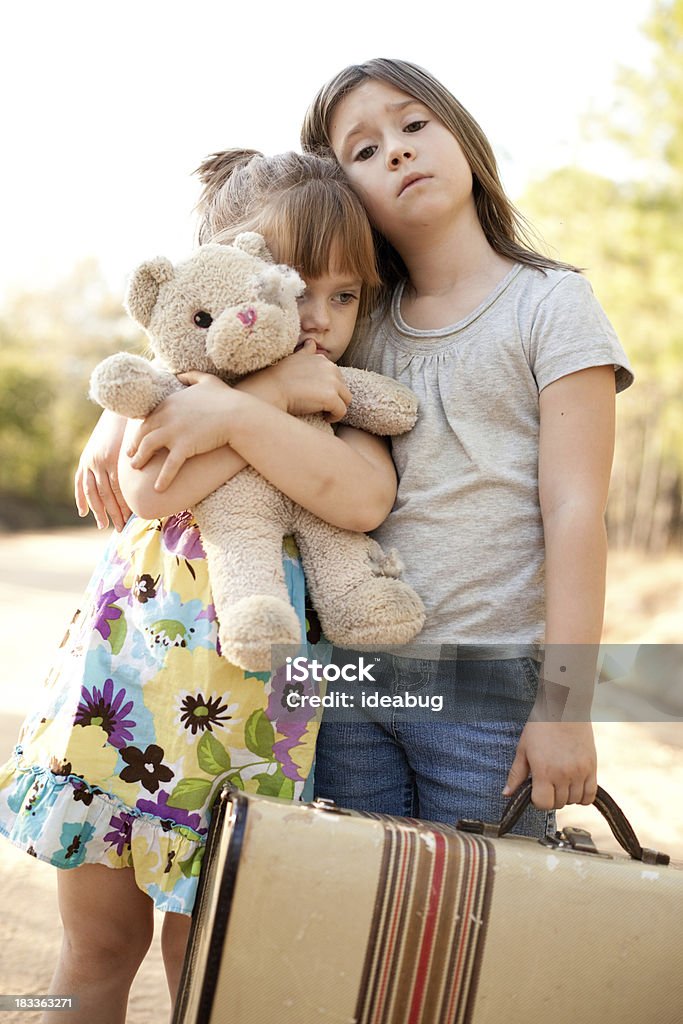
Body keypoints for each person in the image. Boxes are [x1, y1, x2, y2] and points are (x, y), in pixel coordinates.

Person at [123, 59, 633, 837]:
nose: (394, 150)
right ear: (339, 192)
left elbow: (574, 510)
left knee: (474, 926)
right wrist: (115, 418)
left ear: (460, 133)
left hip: (485, 688)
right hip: (350, 683)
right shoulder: (343, 315)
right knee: (353, 927)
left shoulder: (550, 304)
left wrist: (565, 707)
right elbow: (208, 302)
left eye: (413, 124)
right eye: (361, 150)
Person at [0, 149, 394, 1023]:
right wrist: (249, 395)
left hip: (246, 741)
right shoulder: (176, 391)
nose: (321, 320)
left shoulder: (341, 403)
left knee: (212, 971)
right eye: (300, 290)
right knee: (95, 951)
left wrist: (274, 401)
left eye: (346, 296)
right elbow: (148, 490)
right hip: (121, 707)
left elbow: (361, 499)